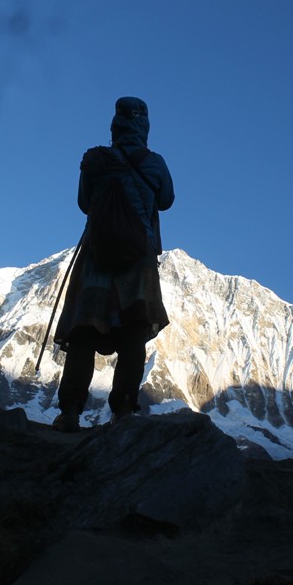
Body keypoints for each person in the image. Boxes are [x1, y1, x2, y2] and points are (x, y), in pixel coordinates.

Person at [52, 96, 175, 432]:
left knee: (85, 332)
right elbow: (165, 200)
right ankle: (123, 409)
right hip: (140, 260)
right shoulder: (155, 164)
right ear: (144, 126)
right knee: (133, 333)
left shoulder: (95, 159)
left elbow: (84, 203)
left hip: (97, 257)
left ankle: (71, 411)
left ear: (115, 124)